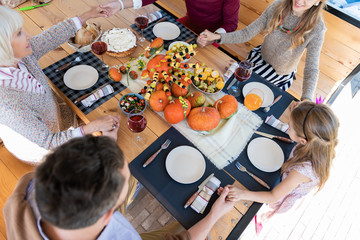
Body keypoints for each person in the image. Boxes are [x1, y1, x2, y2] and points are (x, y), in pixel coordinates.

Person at [4, 135, 235, 240]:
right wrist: (215, 214)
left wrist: (103, 150)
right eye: (122, 194)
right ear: (108, 217)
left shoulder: (24, 191)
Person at [0, 6, 120, 164]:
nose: (28, 35)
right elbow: (50, 142)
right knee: (106, 155)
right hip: (43, 148)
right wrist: (92, 126)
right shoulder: (7, 103)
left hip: (55, 117)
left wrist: (86, 15)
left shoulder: (18, 57)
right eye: (19, 33)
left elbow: (50, 37)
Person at [219, 101, 339, 224]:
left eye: (290, 127)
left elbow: (273, 196)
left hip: (284, 190)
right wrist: (301, 111)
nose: (287, 126)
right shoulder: (319, 142)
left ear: (303, 141)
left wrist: (242, 194)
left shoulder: (302, 171)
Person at [198, 0, 327, 101]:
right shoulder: (277, 6)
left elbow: (312, 68)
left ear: (318, 1)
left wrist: (306, 98)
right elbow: (247, 33)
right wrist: (216, 37)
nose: (299, 0)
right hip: (259, 58)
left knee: (249, 97)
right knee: (228, 87)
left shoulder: (318, 28)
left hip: (279, 74)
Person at [100, 0, 240, 34]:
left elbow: (231, 24)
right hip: (188, 23)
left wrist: (215, 36)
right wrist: (120, 4)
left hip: (213, 35)